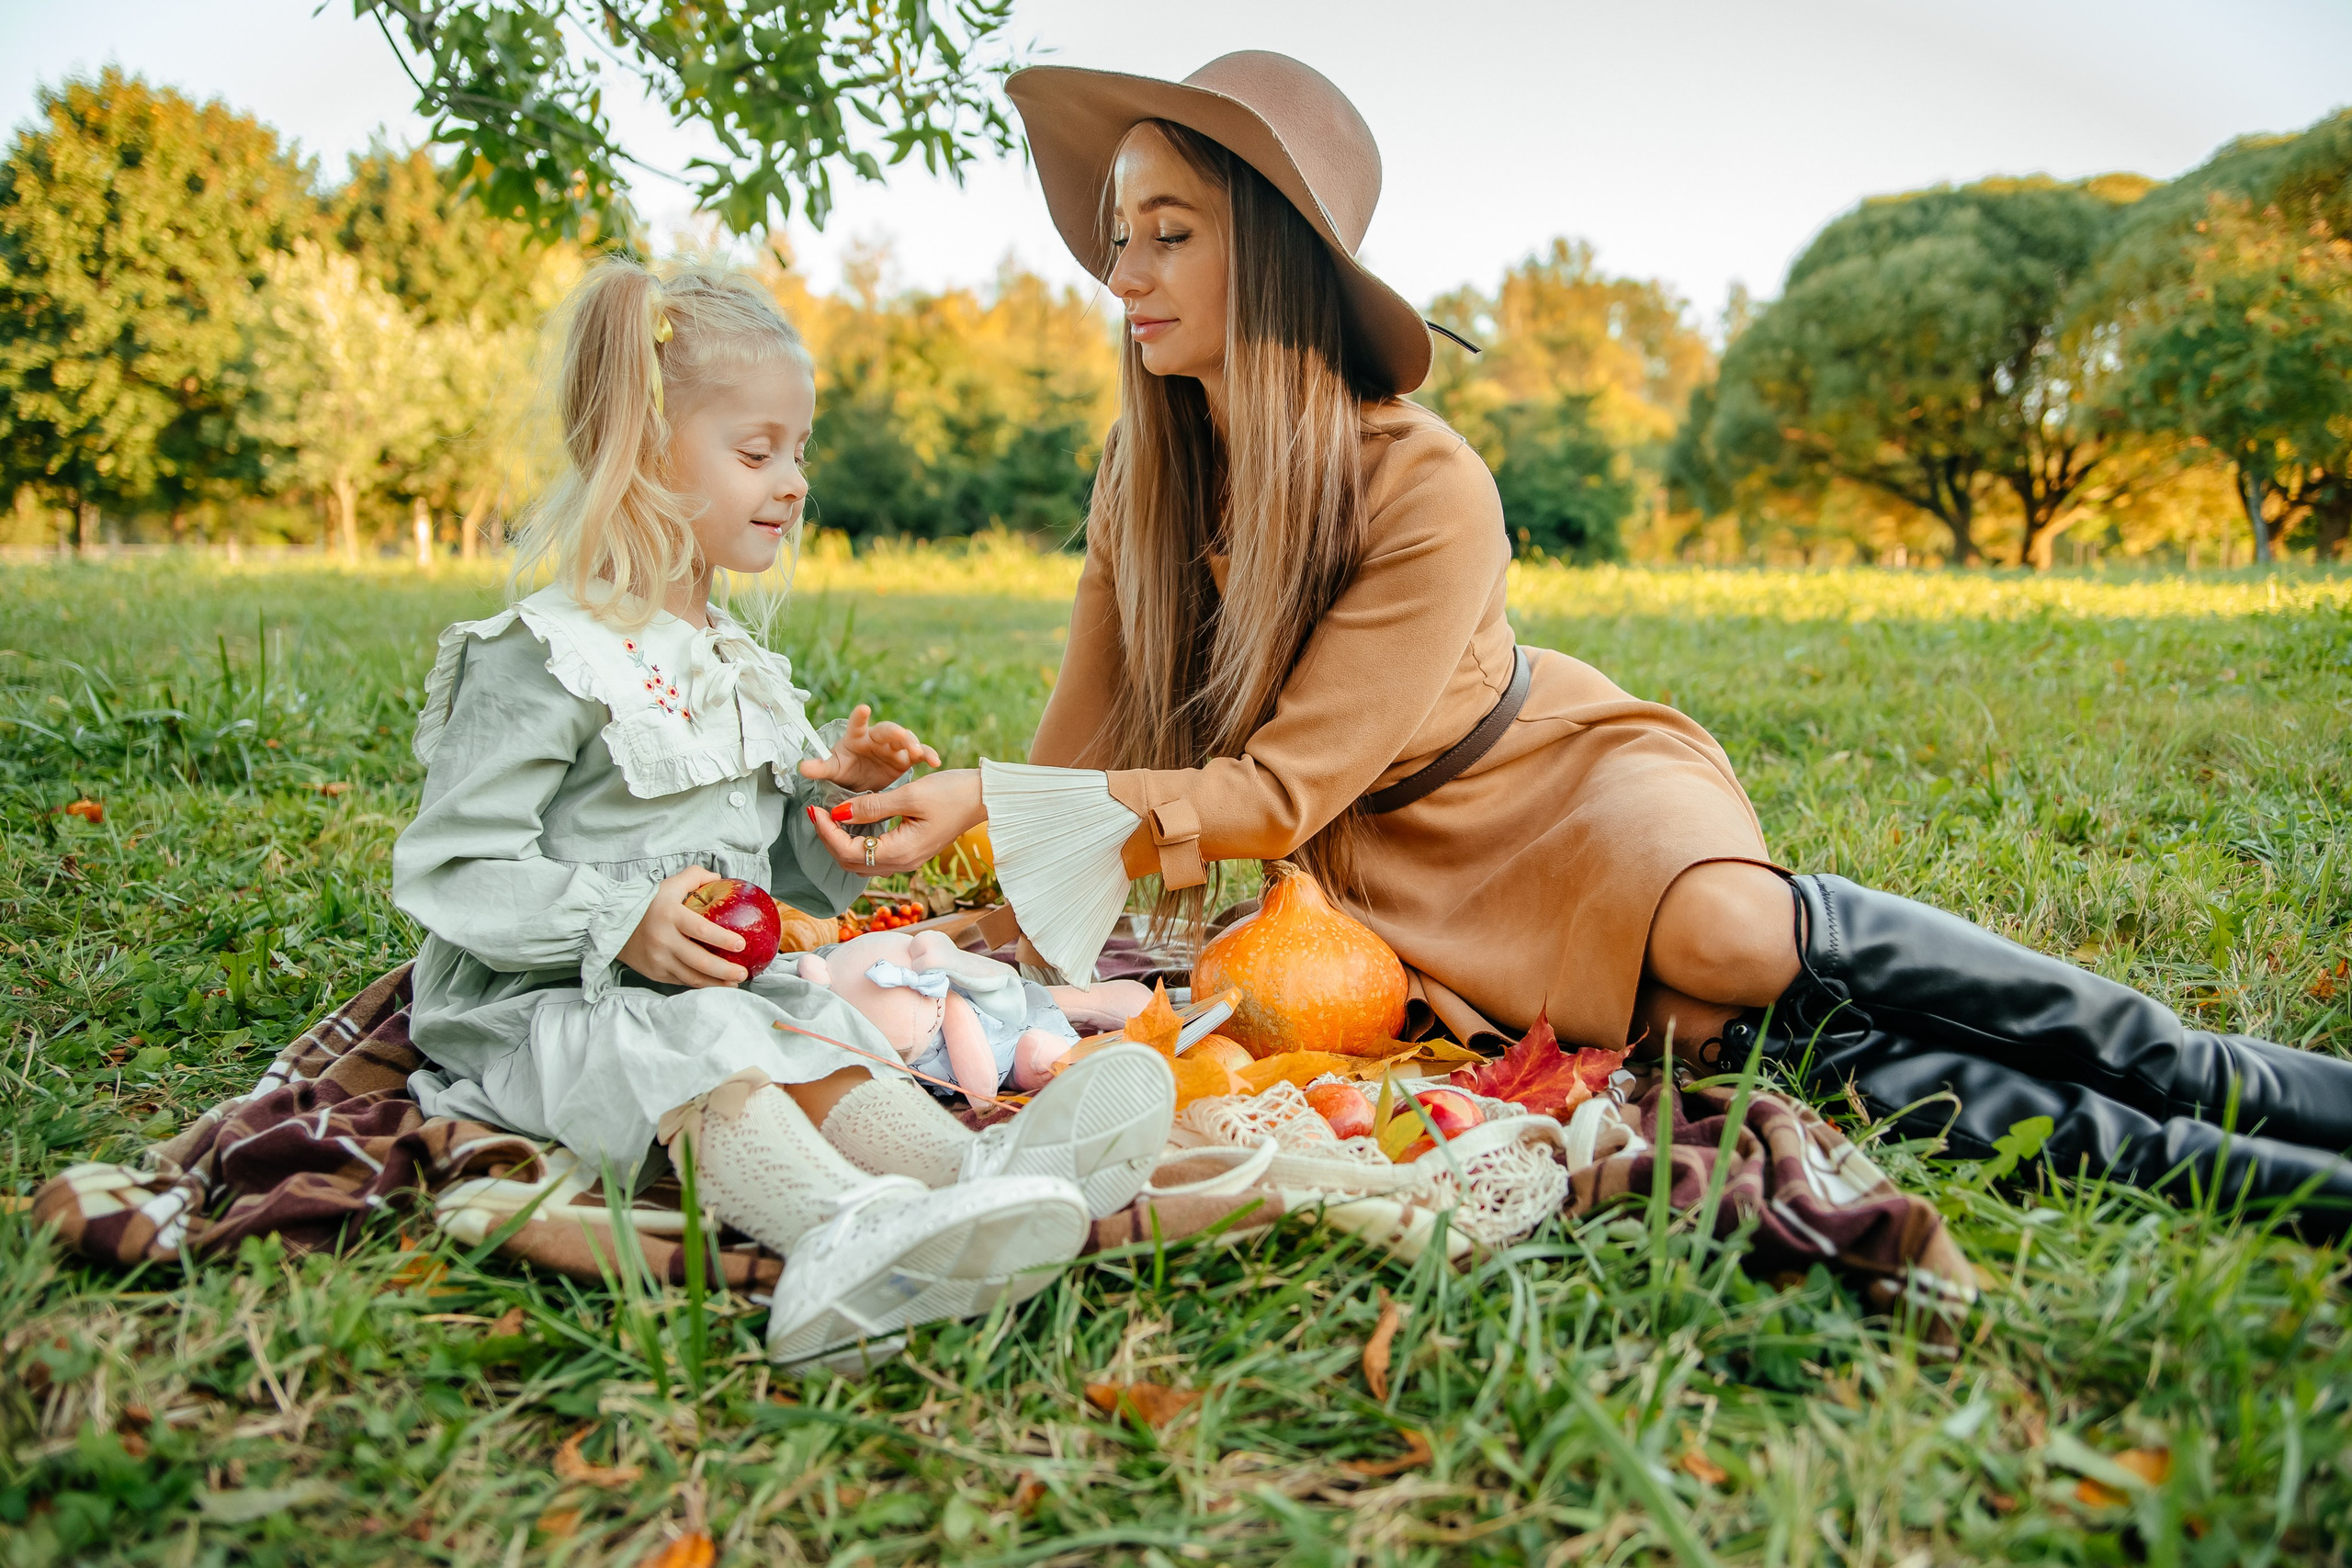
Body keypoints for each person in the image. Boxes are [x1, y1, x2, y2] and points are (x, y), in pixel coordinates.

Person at [809, 51, 2352, 1232]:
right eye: (1117, 234)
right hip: (1373, 872)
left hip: (1552, 789)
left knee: (1732, 947)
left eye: (1167, 235)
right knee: (1693, 1037)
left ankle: (2233, 1079)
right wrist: (951, 808)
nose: (1121, 274)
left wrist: (1005, 811)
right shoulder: (1139, 484)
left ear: (1269, 254)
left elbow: (1272, 788)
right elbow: (1080, 765)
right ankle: (2215, 1163)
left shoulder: (1427, 482)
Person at [391, 256, 1176, 1372]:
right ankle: (840, 1236)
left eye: (797, 452)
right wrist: (621, 917)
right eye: (757, 452)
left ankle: (979, 1188)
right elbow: (451, 871)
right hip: (551, 1003)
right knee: (718, 1043)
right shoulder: (544, 657)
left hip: (708, 990)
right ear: (636, 450)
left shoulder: (738, 667)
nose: (794, 480)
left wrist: (833, 811)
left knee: (818, 1033)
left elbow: (775, 891)